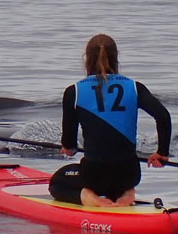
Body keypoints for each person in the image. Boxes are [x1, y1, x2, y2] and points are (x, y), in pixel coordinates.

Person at [49, 34, 170, 207]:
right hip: (130, 174)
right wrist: (162, 152)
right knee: (118, 169)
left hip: (94, 176)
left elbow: (69, 146)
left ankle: (92, 198)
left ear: (87, 60)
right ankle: (127, 192)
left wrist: (69, 149)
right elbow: (163, 116)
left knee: (57, 182)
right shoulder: (135, 87)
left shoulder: (74, 92)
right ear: (116, 58)